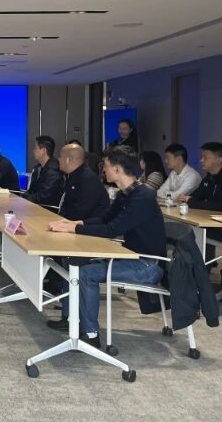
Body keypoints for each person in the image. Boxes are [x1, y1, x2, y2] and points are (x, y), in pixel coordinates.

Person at [47, 147, 167, 347]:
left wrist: (74, 229)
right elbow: (105, 218)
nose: (103, 170)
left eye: (106, 166)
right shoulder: (126, 194)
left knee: (87, 274)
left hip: (147, 265)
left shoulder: (142, 197)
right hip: (130, 256)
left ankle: (91, 335)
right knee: (73, 261)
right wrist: (74, 224)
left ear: (117, 169)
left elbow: (112, 229)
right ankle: (70, 319)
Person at [56, 143, 111, 221]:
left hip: (89, 226)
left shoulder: (88, 179)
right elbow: (66, 204)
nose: (58, 159)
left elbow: (80, 213)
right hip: (73, 223)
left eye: (60, 157)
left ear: (68, 160)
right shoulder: (74, 175)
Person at [178, 142, 222, 212]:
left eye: (205, 157)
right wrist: (187, 199)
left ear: (219, 160)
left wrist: (190, 201)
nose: (201, 160)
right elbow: (195, 197)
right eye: (201, 157)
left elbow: (221, 205)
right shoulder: (208, 178)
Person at [24, 135, 63, 207]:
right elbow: (32, 190)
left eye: (35, 148)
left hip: (47, 209)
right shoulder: (38, 168)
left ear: (44, 151)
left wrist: (25, 199)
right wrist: (22, 197)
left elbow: (45, 196)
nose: (33, 151)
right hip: (36, 205)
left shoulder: (53, 170)